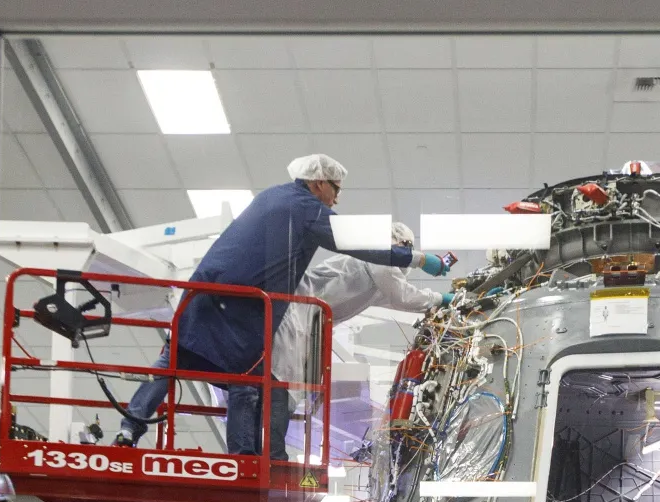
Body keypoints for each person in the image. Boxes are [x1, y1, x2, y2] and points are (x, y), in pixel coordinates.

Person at [117, 154, 450, 458]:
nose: (336, 198)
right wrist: (419, 260)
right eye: (335, 189)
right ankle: (246, 459)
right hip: (247, 309)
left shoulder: (270, 196)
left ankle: (129, 428)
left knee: (172, 363)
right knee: (247, 381)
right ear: (318, 183)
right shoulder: (307, 209)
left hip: (203, 295)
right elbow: (363, 246)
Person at [267, 220, 438, 456]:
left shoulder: (377, 281)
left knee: (285, 389)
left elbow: (400, 298)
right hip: (294, 314)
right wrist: (439, 296)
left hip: (304, 323)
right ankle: (272, 455)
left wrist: (436, 302)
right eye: (404, 247)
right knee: (282, 386)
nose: (404, 254)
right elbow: (402, 295)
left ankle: (271, 453)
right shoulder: (378, 257)